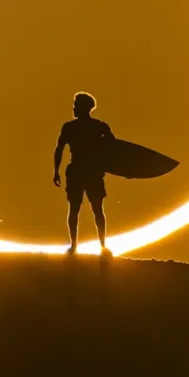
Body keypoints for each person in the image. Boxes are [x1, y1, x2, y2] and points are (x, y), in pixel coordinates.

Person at [53, 92, 115, 255]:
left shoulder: (92, 127)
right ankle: (77, 245)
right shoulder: (98, 126)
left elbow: (114, 150)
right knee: (85, 209)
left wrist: (56, 172)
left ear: (83, 108)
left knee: (88, 209)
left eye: (76, 106)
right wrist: (56, 171)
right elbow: (115, 149)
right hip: (85, 171)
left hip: (85, 171)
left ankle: (95, 245)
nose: (73, 109)